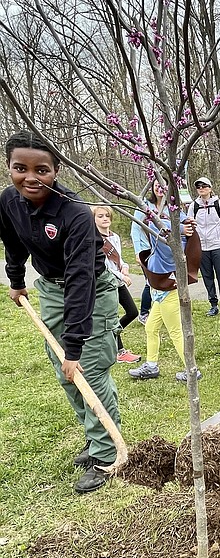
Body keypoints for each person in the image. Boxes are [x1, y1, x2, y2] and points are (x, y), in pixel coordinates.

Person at [0, 131, 122, 493]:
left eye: (42, 170)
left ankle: (106, 456)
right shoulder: (8, 200)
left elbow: (82, 277)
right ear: (9, 167)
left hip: (92, 291)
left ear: (56, 171)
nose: (31, 178)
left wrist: (75, 347)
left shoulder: (76, 214)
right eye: (20, 168)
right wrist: (17, 279)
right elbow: (11, 239)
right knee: (63, 372)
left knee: (89, 369)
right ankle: (94, 435)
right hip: (50, 288)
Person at [128, 179, 201, 382]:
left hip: (168, 281)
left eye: (165, 184)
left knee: (176, 331)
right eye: (157, 183)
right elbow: (145, 226)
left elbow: (180, 231)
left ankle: (192, 370)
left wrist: (183, 228)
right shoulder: (151, 211)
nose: (160, 187)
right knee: (151, 327)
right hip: (158, 282)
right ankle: (151, 366)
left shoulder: (176, 215)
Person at [91, 204, 141, 363]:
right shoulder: (94, 239)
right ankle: (120, 352)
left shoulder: (115, 237)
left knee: (132, 312)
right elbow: (103, 265)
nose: (105, 218)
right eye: (100, 216)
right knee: (111, 317)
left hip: (118, 281)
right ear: (93, 219)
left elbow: (119, 259)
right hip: (106, 282)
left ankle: (111, 336)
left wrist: (125, 267)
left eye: (107, 215)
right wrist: (121, 276)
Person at [188, 177, 220, 316]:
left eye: (204, 186)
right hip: (202, 248)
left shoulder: (219, 204)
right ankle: (213, 305)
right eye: (198, 187)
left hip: (219, 246)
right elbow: (189, 227)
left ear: (210, 188)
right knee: (207, 277)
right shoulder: (193, 206)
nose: (201, 188)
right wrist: (190, 248)